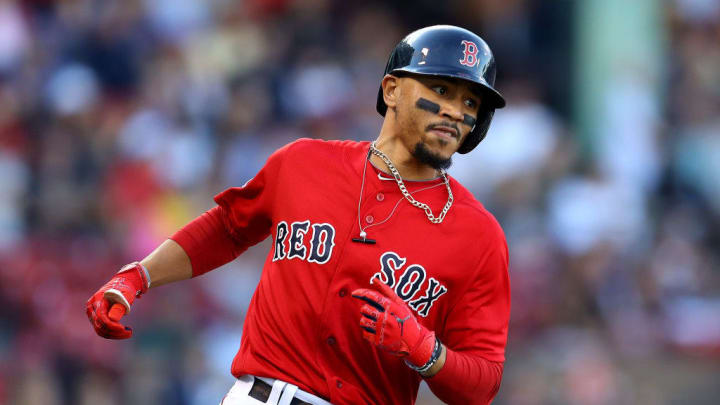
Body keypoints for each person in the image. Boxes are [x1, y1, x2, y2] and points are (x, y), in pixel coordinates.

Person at [86, 25, 510, 405]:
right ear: (391, 90)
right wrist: (138, 276)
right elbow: (227, 227)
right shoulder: (305, 163)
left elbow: (483, 384)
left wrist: (426, 351)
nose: (456, 110)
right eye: (440, 90)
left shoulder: (478, 234)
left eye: (469, 100)